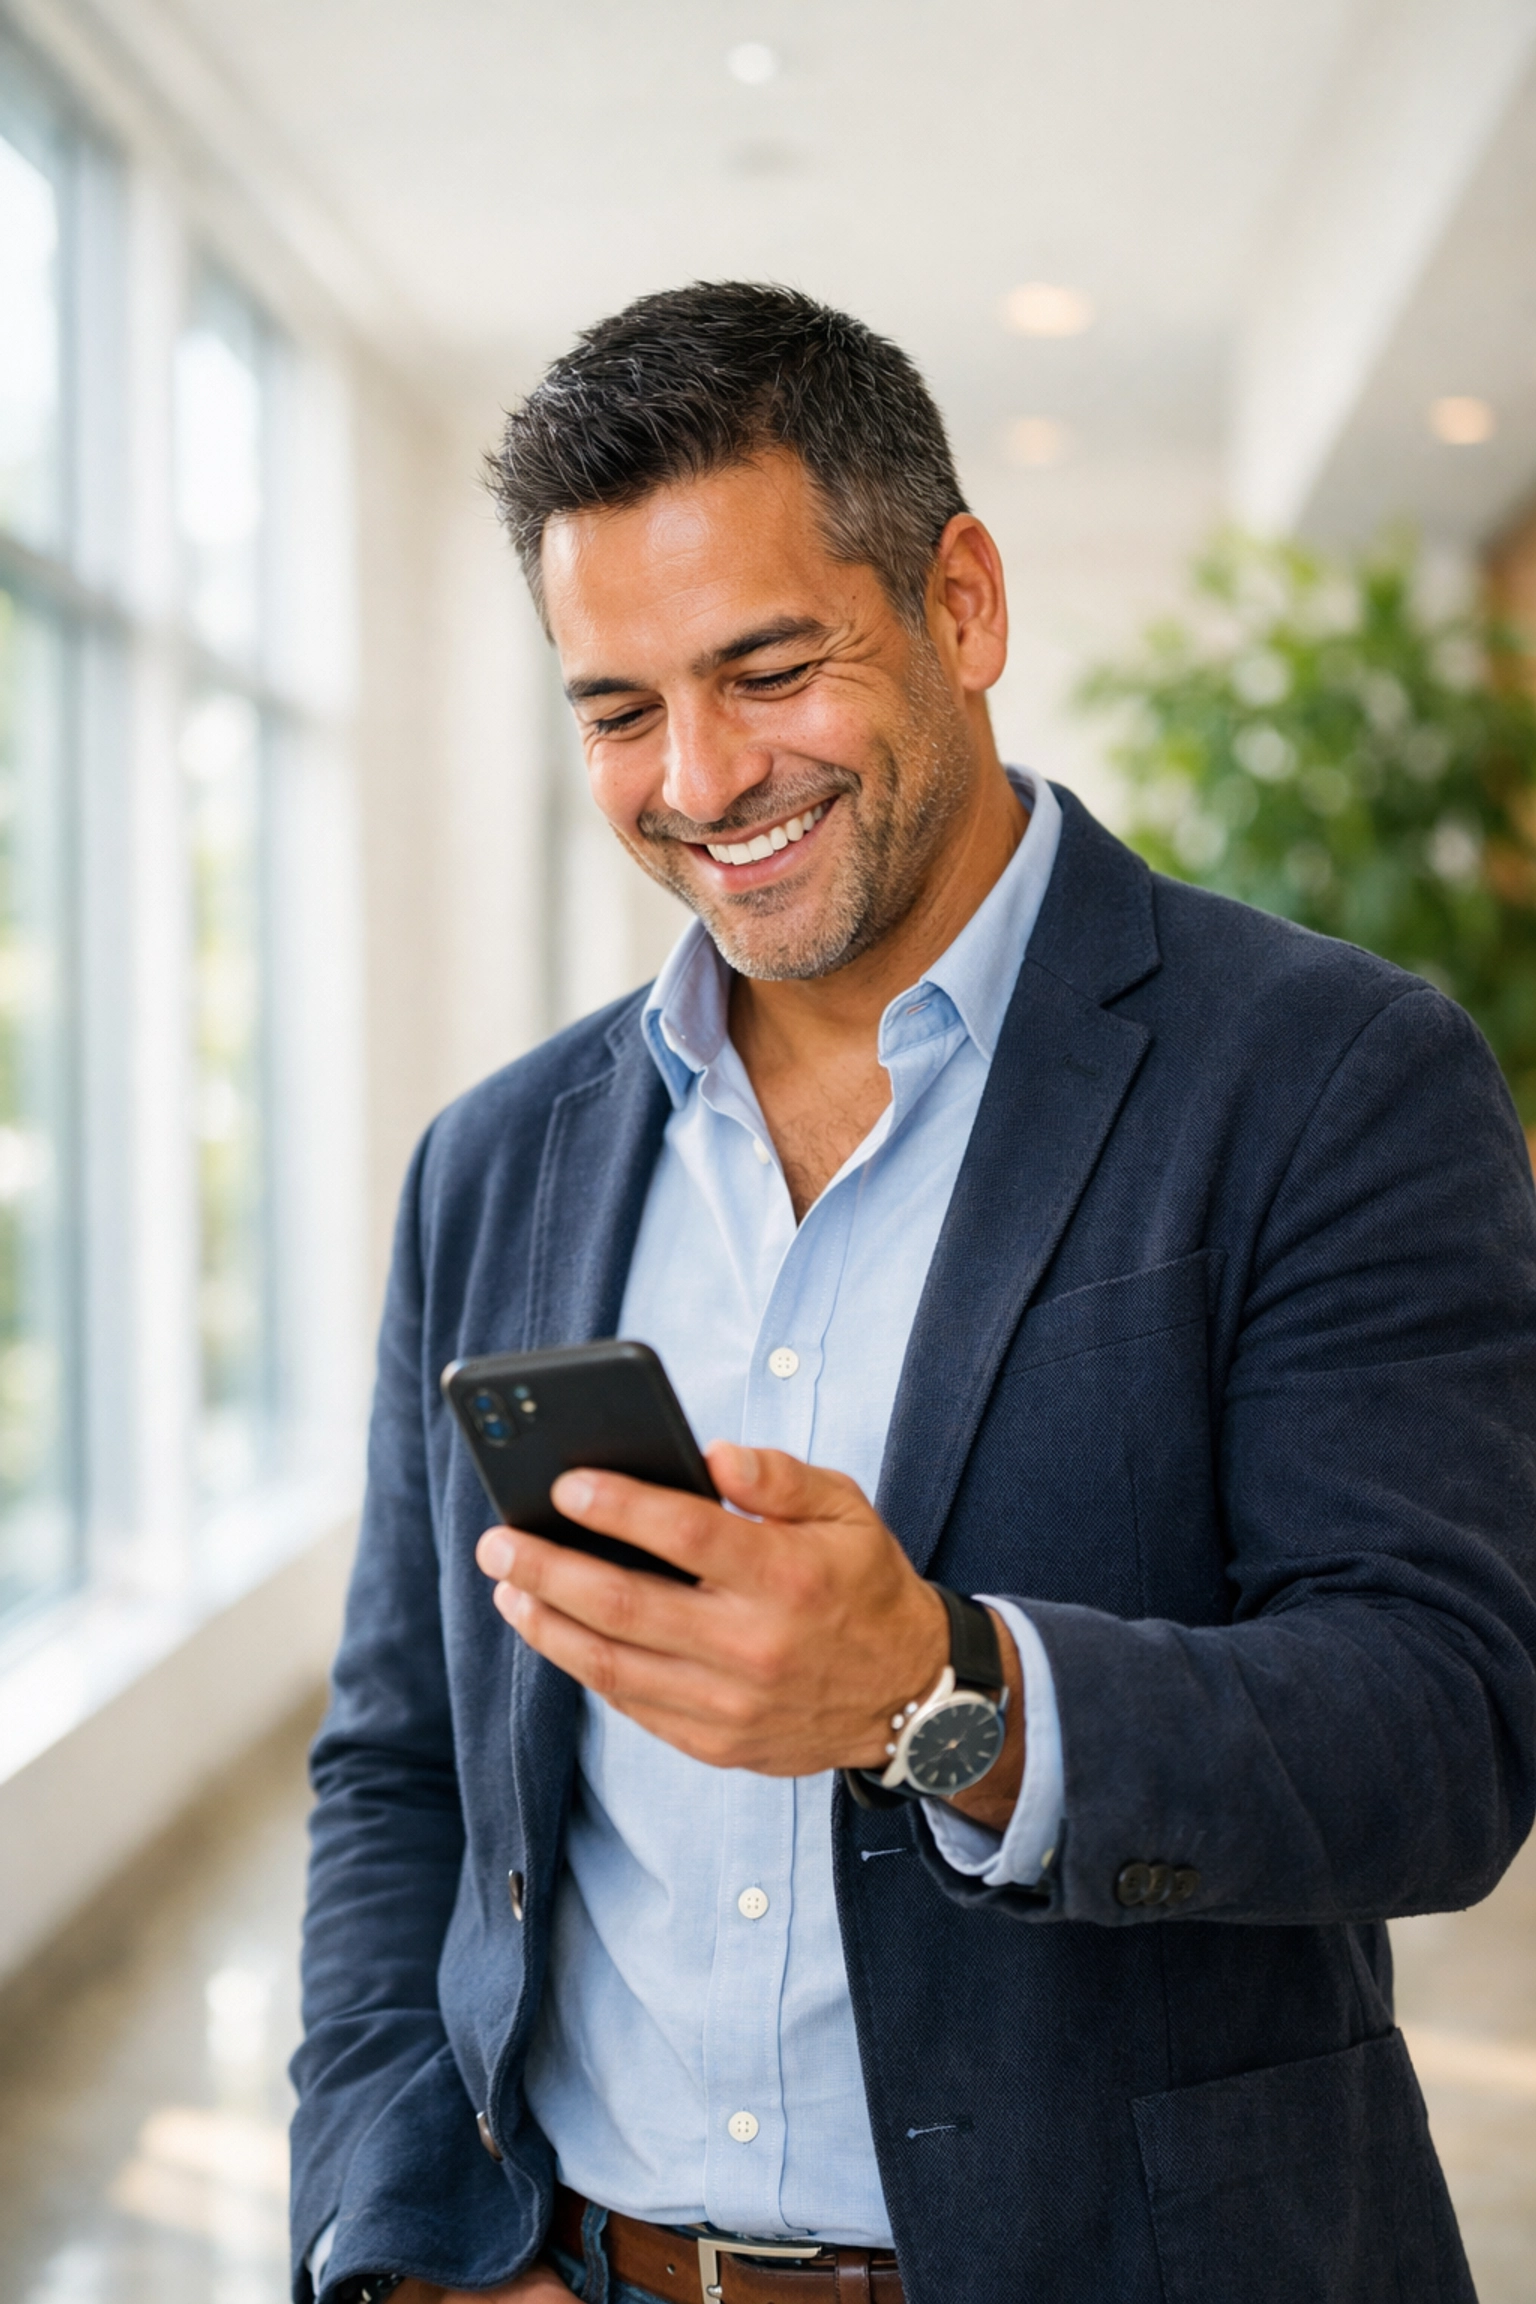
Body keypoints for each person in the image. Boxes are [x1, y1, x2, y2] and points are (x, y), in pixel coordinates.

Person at [291, 283, 1536, 2304]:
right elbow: (403, 1763)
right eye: (617, 709)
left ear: (961, 602)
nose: (698, 778)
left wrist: (937, 1695)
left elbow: (1449, 1732)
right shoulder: (495, 1161)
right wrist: (396, 2234)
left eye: (768, 667)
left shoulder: (1327, 1074)